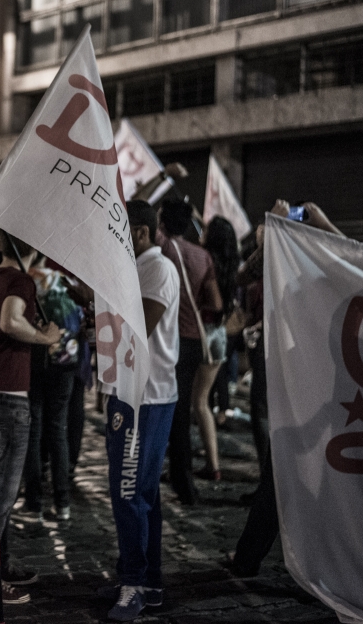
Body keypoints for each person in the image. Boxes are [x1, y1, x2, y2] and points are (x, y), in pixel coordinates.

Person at [227, 199, 342, 578]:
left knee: (286, 473)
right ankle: (318, 568)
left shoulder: (306, 273)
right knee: (291, 473)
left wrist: (274, 229)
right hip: (315, 384)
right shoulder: (329, 270)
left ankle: (254, 559)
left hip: (309, 383)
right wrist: (319, 225)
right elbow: (243, 278)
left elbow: (243, 275)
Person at [95, 200, 181, 621]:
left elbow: (138, 329)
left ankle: (135, 583)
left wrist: (103, 299)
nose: (116, 238)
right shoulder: (138, 268)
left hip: (145, 398)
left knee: (128, 492)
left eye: (121, 229)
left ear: (142, 233)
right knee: (141, 492)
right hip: (132, 394)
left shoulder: (157, 269)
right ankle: (148, 580)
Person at [0, 228, 62, 604]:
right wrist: (45, 338)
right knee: (0, 499)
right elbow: (10, 321)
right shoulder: (20, 280)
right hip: (8, 400)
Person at [157, 199, 222, 505]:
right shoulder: (202, 255)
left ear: (161, 222)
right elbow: (216, 302)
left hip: (169, 339)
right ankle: (182, 481)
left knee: (172, 412)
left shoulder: (163, 248)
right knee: (183, 408)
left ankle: (183, 484)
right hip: (194, 339)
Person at [22, 254, 84, 522]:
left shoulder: (27, 281)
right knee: (58, 429)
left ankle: (34, 503)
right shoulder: (65, 281)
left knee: (34, 430)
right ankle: (63, 503)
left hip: (37, 362)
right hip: (66, 361)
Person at [190, 216, 240, 481]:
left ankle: (199, 463)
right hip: (219, 335)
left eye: (206, 229)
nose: (202, 231)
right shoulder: (231, 267)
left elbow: (209, 301)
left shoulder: (204, 261)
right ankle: (213, 465)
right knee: (202, 401)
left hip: (201, 333)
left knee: (193, 401)